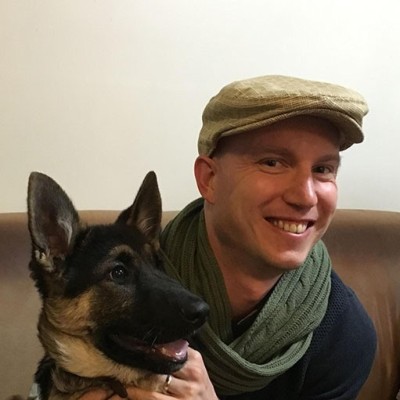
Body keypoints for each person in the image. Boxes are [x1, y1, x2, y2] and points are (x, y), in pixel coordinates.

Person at [78, 75, 377, 399]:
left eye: (323, 169)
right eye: (273, 162)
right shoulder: (121, 284)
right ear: (209, 179)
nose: (305, 197)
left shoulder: (343, 333)